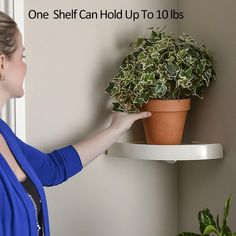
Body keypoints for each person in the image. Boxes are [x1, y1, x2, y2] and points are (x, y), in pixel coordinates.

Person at [0, 11, 151, 236]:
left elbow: (53, 170)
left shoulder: (4, 134)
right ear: (2, 63)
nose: (25, 67)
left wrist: (115, 129)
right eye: (22, 56)